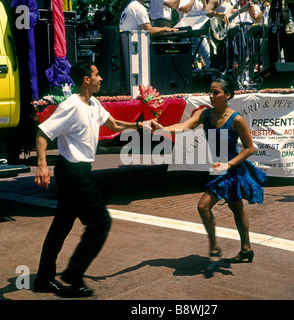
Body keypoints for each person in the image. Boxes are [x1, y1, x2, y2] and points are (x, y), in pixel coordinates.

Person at [33, 61, 157, 297]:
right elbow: (43, 133)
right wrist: (42, 165)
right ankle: (73, 275)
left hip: (79, 170)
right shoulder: (72, 106)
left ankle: (43, 280)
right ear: (86, 80)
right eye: (97, 74)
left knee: (61, 226)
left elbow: (116, 124)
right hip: (72, 172)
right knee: (100, 222)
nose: (101, 78)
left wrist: (141, 125)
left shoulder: (93, 103)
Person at [155, 76, 266, 273]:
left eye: (216, 92)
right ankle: (247, 249)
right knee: (237, 209)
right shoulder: (205, 115)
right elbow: (184, 126)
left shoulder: (236, 119)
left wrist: (228, 164)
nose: (212, 96)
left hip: (231, 170)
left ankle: (215, 246)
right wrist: (164, 129)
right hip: (218, 169)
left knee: (204, 206)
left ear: (228, 95)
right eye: (211, 92)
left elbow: (249, 148)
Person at [177, 0, 228, 69]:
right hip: (186, 31)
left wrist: (205, 3)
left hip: (198, 30)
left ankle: (209, 74)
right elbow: (185, 9)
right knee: (185, 56)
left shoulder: (199, 2)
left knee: (207, 54)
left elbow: (205, 11)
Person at [268, 0, 294, 75]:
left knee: (291, 57)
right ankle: (273, 79)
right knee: (273, 56)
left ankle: (293, 78)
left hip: (289, 26)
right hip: (275, 25)